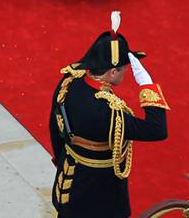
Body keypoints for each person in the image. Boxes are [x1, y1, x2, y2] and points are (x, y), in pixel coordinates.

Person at [48, 12, 169, 218]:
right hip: (100, 190)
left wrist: (62, 160)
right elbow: (157, 130)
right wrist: (147, 85)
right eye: (125, 70)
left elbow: (55, 125)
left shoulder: (69, 81)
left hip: (70, 175)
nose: (126, 73)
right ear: (112, 72)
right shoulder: (109, 111)